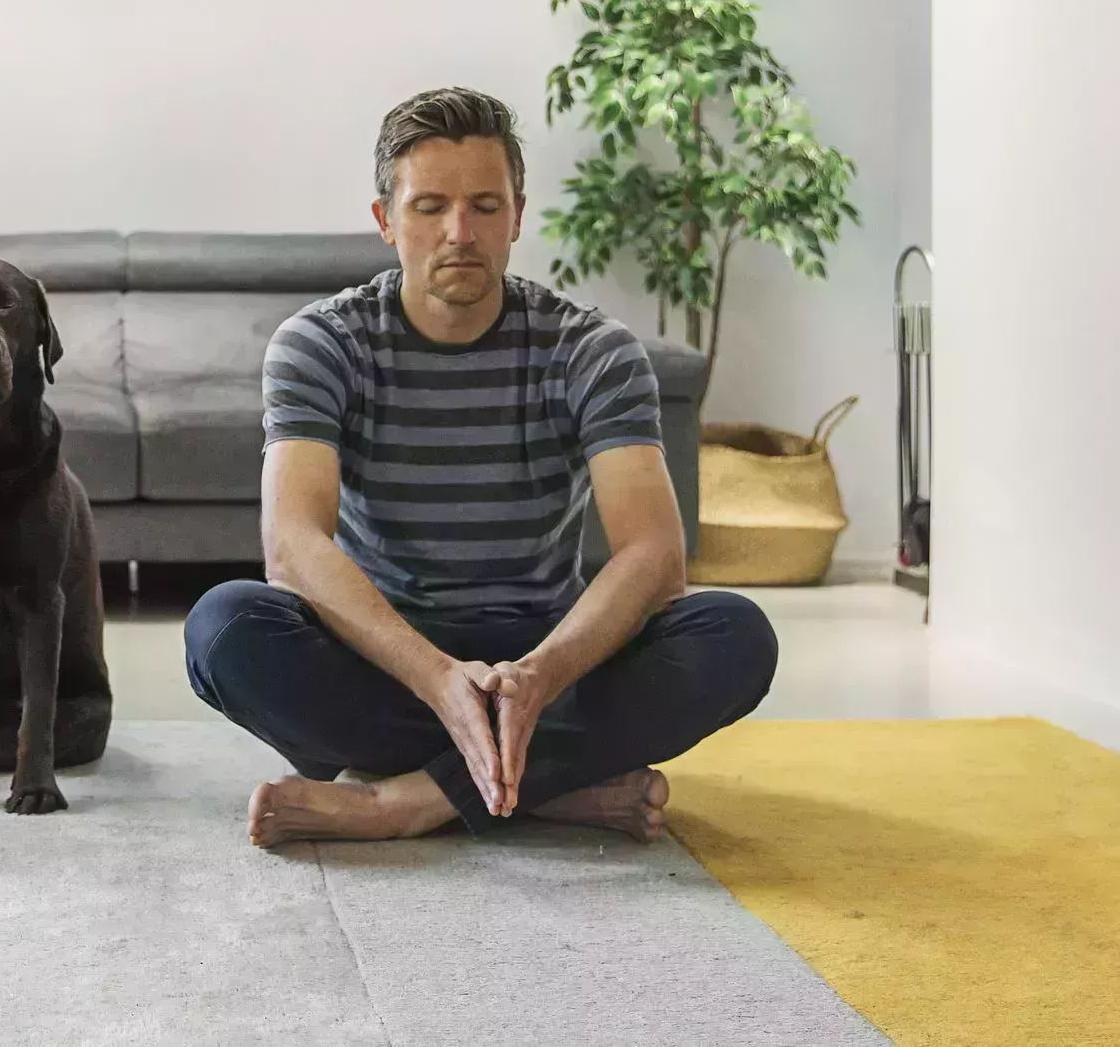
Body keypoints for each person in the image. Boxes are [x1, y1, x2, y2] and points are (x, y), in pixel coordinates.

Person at [185, 87, 778, 848]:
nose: (458, 233)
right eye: (428, 207)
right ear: (384, 221)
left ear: (518, 217)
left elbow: (653, 556)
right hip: (386, 646)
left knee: (733, 634)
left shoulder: (590, 350)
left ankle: (404, 801)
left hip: (543, 647)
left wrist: (537, 677)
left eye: (484, 206)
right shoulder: (320, 343)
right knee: (224, 627)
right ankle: (549, 786)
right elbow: (293, 548)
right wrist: (437, 677)